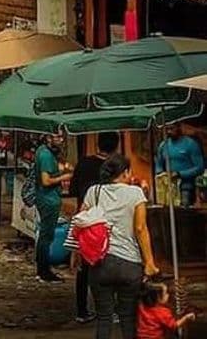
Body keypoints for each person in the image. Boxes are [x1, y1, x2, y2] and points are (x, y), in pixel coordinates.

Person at [83, 153, 159, 339]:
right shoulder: (135, 193)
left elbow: (81, 223)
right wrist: (149, 262)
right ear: (125, 173)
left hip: (100, 263)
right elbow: (140, 228)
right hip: (129, 263)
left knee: (104, 317)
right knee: (128, 317)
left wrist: (77, 255)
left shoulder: (94, 192)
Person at [70, 132, 121, 322]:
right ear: (116, 146)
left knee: (84, 267)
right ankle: (111, 310)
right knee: (108, 264)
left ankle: (81, 311)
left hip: (85, 220)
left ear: (97, 144)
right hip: (107, 221)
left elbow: (73, 190)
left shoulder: (83, 163)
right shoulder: (115, 167)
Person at [34, 131, 72, 283]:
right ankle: (43, 270)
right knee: (46, 235)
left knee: (45, 234)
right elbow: (46, 180)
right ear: (48, 138)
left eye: (62, 137)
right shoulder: (45, 155)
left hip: (47, 198)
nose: (61, 140)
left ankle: (43, 268)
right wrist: (65, 177)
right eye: (57, 137)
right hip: (48, 198)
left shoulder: (43, 152)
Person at [155, 123, 204, 208]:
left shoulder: (190, 144)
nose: (169, 131)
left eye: (171, 129)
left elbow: (200, 167)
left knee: (184, 212)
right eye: (167, 129)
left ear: (178, 128)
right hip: (168, 188)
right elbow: (158, 164)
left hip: (186, 187)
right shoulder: (163, 145)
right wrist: (161, 173)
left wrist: (179, 174)